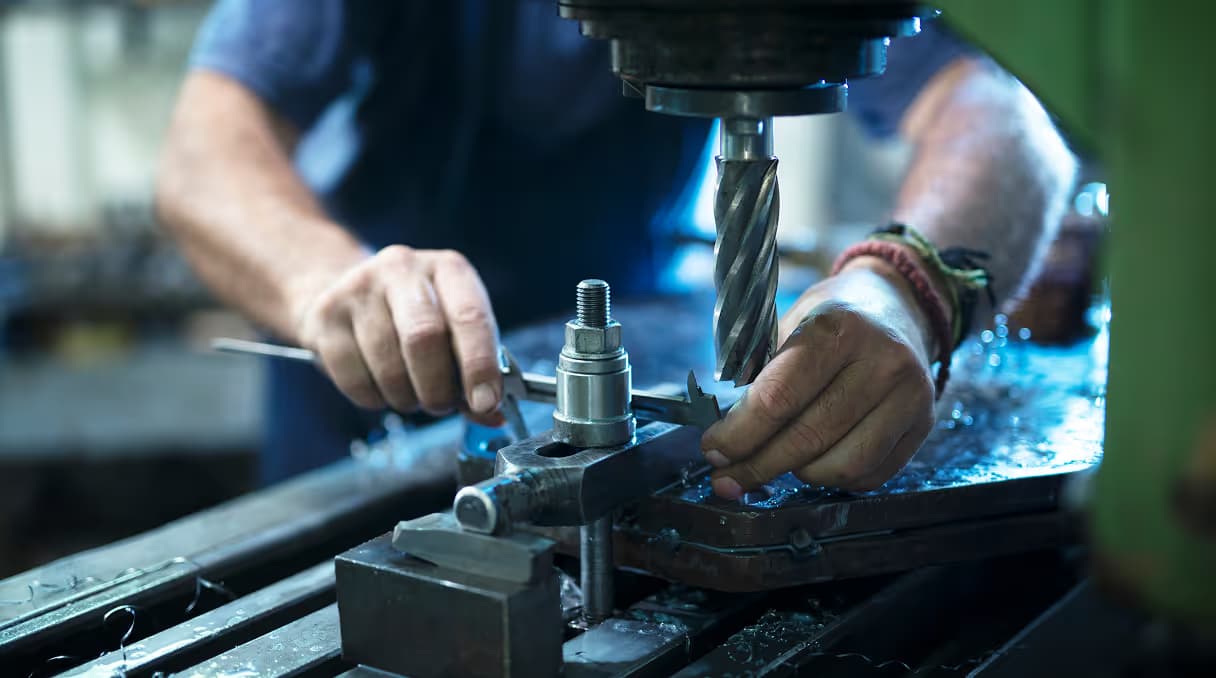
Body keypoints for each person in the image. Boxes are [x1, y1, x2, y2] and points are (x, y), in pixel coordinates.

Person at [157, 1, 1075, 495]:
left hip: (634, 418)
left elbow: (1004, 117)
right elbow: (203, 155)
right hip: (376, 443)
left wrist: (900, 291)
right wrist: (328, 283)